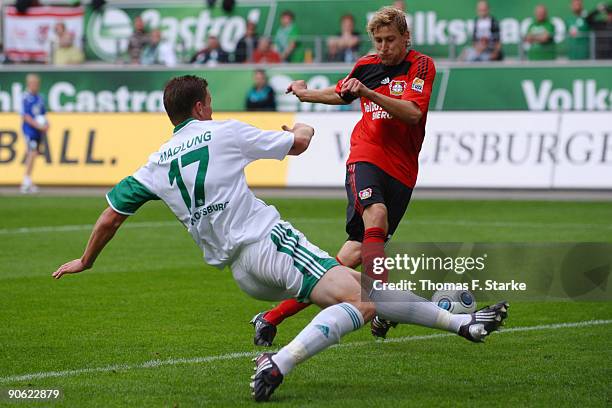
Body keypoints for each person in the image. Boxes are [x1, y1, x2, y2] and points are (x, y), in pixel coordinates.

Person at [51, 74, 508, 402]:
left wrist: (86, 260)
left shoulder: (153, 163)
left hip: (241, 273)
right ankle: (279, 362)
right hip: (269, 243)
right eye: (209, 100)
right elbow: (299, 144)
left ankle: (460, 322)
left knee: (362, 295)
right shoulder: (221, 132)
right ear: (200, 107)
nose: (211, 107)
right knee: (366, 297)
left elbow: (111, 216)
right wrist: (300, 126)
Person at [251, 6, 440, 345]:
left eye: (390, 40)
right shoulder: (366, 66)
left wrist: (367, 93)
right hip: (365, 156)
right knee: (376, 215)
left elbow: (412, 114)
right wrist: (306, 93)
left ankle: (271, 317)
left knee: (350, 256)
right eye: (378, 41)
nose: (383, 47)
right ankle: (381, 304)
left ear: (405, 38)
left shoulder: (421, 65)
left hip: (402, 171)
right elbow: (341, 93)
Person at [21, 74, 48, 194]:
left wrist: (47, 124)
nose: (36, 86)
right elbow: (25, 116)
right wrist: (38, 125)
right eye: (33, 84)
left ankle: (28, 180)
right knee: (32, 153)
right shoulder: (25, 98)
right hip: (29, 131)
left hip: (38, 132)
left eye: (37, 84)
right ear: (29, 84)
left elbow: (42, 115)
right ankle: (25, 182)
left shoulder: (40, 98)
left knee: (34, 154)